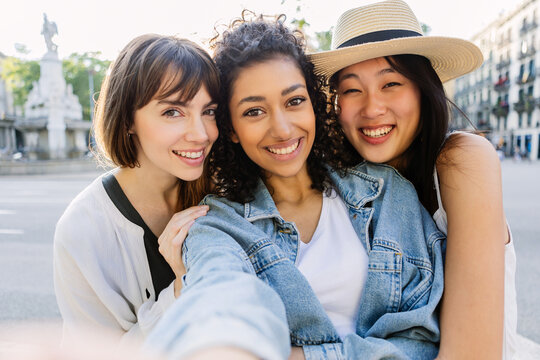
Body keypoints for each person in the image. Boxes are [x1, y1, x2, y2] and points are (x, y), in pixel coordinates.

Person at [145, 13, 445, 360]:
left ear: (314, 104)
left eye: (294, 101)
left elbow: (421, 341)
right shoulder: (217, 225)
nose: (283, 129)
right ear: (230, 129)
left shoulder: (387, 193)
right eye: (254, 111)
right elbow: (221, 296)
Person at [308, 0, 517, 358]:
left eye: (391, 83)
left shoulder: (462, 158)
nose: (372, 108)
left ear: (423, 89)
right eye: (352, 90)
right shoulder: (339, 183)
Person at [53, 34, 220, 343]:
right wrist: (182, 288)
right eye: (173, 112)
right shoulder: (83, 230)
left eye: (208, 111)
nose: (201, 134)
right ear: (128, 119)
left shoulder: (224, 190)